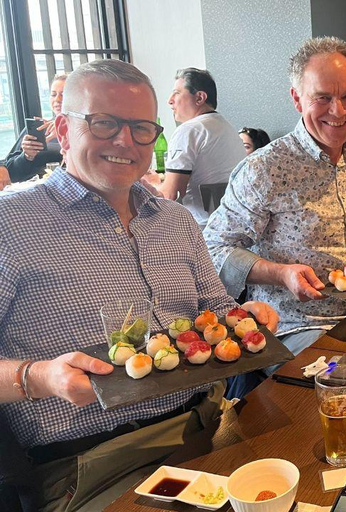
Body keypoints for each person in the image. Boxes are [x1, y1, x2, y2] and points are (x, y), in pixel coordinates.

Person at [0, 59, 278, 511]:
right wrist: (38, 377)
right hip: (91, 461)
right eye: (104, 123)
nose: (124, 142)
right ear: (64, 130)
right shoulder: (10, 223)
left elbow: (216, 305)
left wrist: (244, 318)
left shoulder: (175, 220)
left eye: (141, 128)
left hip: (204, 423)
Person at [204, 37, 346, 396]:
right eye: (323, 98)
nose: (339, 110)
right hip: (299, 326)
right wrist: (281, 274)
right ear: (297, 98)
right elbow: (214, 247)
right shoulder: (264, 169)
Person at [157, 68, 244, 226]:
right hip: (231, 224)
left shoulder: (189, 130)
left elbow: (170, 195)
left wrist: (149, 183)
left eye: (177, 93)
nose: (170, 100)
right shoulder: (227, 128)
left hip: (201, 230)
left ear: (199, 98)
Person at [4, 74, 67, 183]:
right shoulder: (38, 128)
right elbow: (11, 173)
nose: (57, 99)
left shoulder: (83, 131)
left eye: (64, 94)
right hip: (30, 190)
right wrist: (27, 156)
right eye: (53, 94)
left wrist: (67, 131)